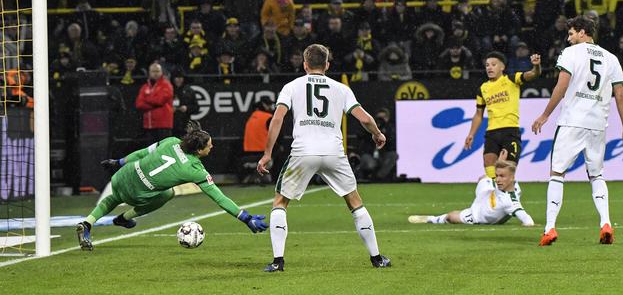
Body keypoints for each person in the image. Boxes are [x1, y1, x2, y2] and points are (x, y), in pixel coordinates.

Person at [256, 44, 391, 271]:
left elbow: (277, 119)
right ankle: (377, 258)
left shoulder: (291, 87)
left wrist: (267, 153)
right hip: (333, 152)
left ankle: (278, 262)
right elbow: (365, 118)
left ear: (305, 64)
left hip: (303, 151)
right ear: (327, 65)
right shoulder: (341, 88)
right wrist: (377, 134)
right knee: (355, 203)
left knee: (280, 202)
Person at [76, 121, 268, 251]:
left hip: (121, 176)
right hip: (136, 195)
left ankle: (87, 224)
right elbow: (220, 198)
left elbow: (142, 153)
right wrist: (246, 218)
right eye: (210, 145)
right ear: (199, 150)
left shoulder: (171, 141)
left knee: (113, 197)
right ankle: (125, 217)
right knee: (167, 193)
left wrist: (118, 162)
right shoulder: (196, 170)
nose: (212, 147)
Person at [532, 15, 623, 246]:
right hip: (598, 124)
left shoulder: (571, 53)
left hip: (572, 122)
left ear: (582, 32)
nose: (568, 39)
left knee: (557, 174)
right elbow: (620, 94)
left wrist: (545, 114)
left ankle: (549, 229)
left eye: (570, 34)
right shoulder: (611, 58)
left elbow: (562, 84)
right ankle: (606, 223)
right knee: (597, 175)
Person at [464, 51, 541, 181]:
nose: (489, 67)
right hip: (492, 133)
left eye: (493, 64)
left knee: (507, 172)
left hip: (510, 131)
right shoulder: (483, 89)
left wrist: (536, 66)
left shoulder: (511, 79)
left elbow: (533, 74)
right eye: (487, 65)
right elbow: (478, 114)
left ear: (502, 67)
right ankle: (495, 200)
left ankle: (512, 199)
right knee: (489, 171)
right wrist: (471, 134)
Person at [409, 150, 534, 226]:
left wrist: (528, 224)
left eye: (502, 176)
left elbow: (526, 219)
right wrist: (501, 161)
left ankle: (431, 219)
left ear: (512, 177)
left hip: (479, 214)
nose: (498, 179)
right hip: (488, 193)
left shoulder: (510, 202)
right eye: (497, 176)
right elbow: (502, 177)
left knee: (451, 217)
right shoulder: (508, 183)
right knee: (483, 178)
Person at [135, 63, 174, 144]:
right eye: (153, 71)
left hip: (163, 125)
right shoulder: (145, 86)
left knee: (163, 151)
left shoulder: (166, 85)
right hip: (149, 125)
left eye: (157, 71)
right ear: (149, 72)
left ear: (161, 72)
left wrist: (146, 98)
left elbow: (159, 101)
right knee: (151, 152)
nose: (155, 73)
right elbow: (139, 104)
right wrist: (153, 100)